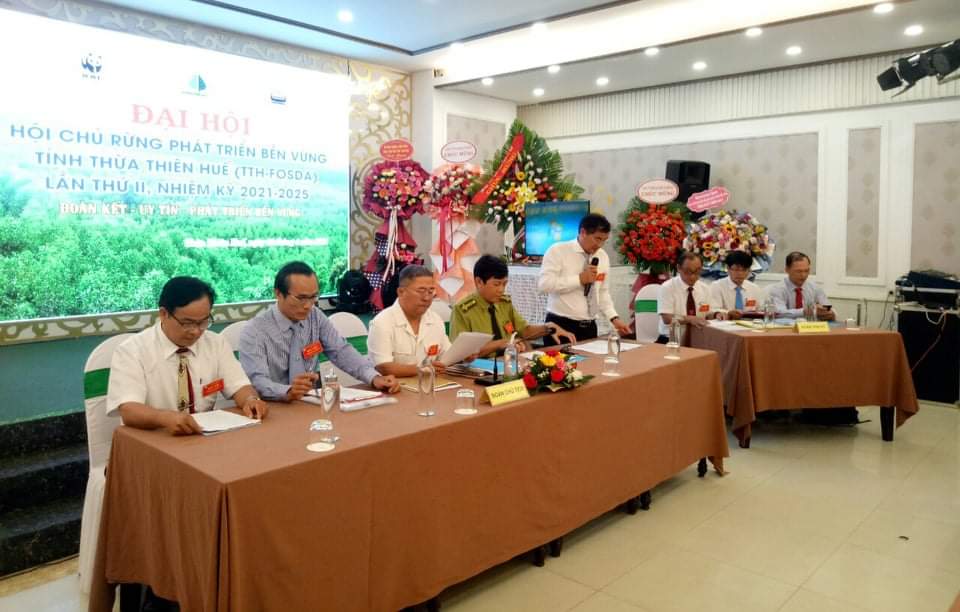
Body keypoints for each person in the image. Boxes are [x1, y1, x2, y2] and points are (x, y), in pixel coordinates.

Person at [106, 276, 267, 435]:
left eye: (203, 322)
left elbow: (239, 386)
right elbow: (129, 410)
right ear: (164, 314)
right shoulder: (132, 351)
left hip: (203, 436)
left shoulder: (215, 343)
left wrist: (251, 400)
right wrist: (164, 418)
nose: (196, 331)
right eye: (187, 323)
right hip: (156, 436)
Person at [238, 261, 400, 402]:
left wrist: (373, 377)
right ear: (278, 294)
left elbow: (340, 350)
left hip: (312, 401)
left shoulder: (315, 316)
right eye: (301, 298)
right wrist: (287, 391)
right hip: (274, 406)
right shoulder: (255, 331)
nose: (308, 305)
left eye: (313, 297)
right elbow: (257, 380)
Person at [451, 255, 576, 357]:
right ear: (479, 282)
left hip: (509, 362)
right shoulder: (463, 310)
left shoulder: (504, 303)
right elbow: (461, 352)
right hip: (478, 369)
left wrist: (548, 328)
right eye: (496, 284)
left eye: (504, 284)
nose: (501, 290)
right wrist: (501, 343)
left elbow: (524, 331)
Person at [537, 213, 632, 344]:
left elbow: (602, 292)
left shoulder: (603, 256)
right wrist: (579, 279)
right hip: (561, 325)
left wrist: (614, 318)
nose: (600, 244)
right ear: (583, 232)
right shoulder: (558, 251)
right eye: (597, 238)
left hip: (590, 327)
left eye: (604, 240)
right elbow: (544, 285)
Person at [367, 265, 453, 377]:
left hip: (431, 384)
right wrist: (423, 370)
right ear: (401, 292)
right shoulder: (382, 323)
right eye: (421, 291)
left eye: (431, 291)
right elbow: (383, 367)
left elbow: (447, 356)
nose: (426, 298)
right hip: (395, 386)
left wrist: (463, 357)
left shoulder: (435, 320)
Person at [656, 251, 724, 342]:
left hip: (699, 337)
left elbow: (707, 313)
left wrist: (716, 314)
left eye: (697, 272)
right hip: (671, 339)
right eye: (688, 272)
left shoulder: (705, 288)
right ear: (679, 268)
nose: (693, 276)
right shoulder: (668, 287)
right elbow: (667, 318)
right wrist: (690, 319)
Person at [768, 251, 836, 321]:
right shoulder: (777, 289)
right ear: (787, 270)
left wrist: (831, 314)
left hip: (810, 326)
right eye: (798, 271)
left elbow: (829, 308)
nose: (803, 275)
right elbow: (779, 313)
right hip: (786, 327)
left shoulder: (815, 288)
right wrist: (805, 311)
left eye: (806, 271)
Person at [710, 250, 766, 320]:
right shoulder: (717, 286)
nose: (740, 273)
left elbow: (760, 310)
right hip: (725, 323)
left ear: (749, 270)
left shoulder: (754, 288)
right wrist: (728, 313)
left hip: (749, 324)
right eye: (736, 269)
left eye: (744, 270)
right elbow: (713, 309)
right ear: (728, 269)